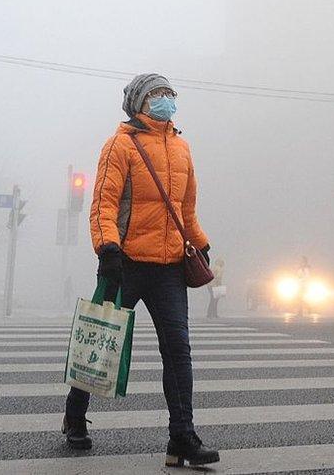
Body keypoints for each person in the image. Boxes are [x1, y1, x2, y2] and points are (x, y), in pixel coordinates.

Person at [62, 73, 219, 467]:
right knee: (98, 343)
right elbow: (104, 203)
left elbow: (185, 209)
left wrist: (200, 242)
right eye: (155, 95)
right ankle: (75, 415)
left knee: (178, 351)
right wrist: (107, 248)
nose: (164, 100)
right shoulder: (120, 144)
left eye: (169, 93)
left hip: (168, 268)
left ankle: (181, 437)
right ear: (138, 103)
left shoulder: (182, 148)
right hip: (126, 263)